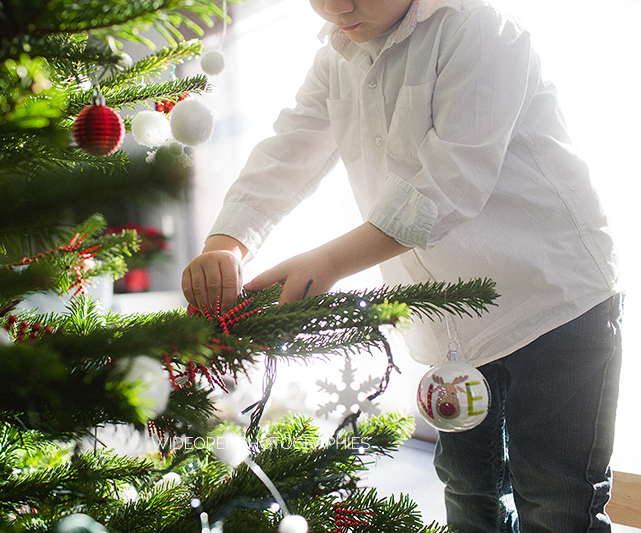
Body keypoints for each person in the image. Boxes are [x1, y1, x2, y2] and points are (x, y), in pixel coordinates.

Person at [181, 0, 623, 531]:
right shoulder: (336, 58)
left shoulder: (476, 29)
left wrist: (329, 260)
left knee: (558, 500)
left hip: (553, 300)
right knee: (468, 488)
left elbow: (450, 182)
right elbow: (286, 153)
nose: (337, 7)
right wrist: (227, 244)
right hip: (452, 323)